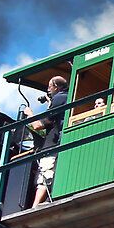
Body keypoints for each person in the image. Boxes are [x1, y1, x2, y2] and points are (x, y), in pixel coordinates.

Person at [27, 76, 68, 208]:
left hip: (52, 144)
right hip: (59, 141)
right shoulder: (66, 97)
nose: (48, 90)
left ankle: (34, 206)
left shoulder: (60, 97)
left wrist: (30, 114)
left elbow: (38, 125)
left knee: (45, 174)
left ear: (56, 87)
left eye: (49, 87)